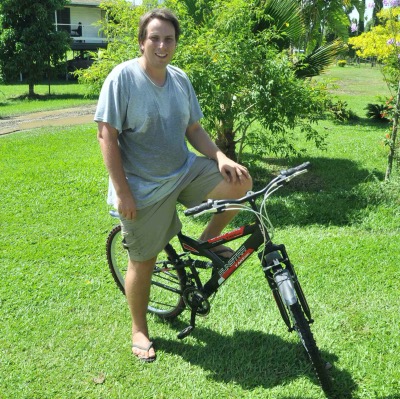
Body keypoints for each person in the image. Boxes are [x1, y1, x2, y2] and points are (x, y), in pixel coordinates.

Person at [94, 8, 252, 362]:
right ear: (141, 42)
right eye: (155, 38)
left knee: (240, 183)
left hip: (183, 171)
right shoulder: (122, 79)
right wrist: (122, 193)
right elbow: (106, 135)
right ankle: (139, 329)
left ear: (175, 44)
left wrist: (221, 157)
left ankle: (204, 242)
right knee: (143, 261)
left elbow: (193, 129)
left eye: (169, 39)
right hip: (143, 186)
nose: (162, 45)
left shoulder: (179, 79)